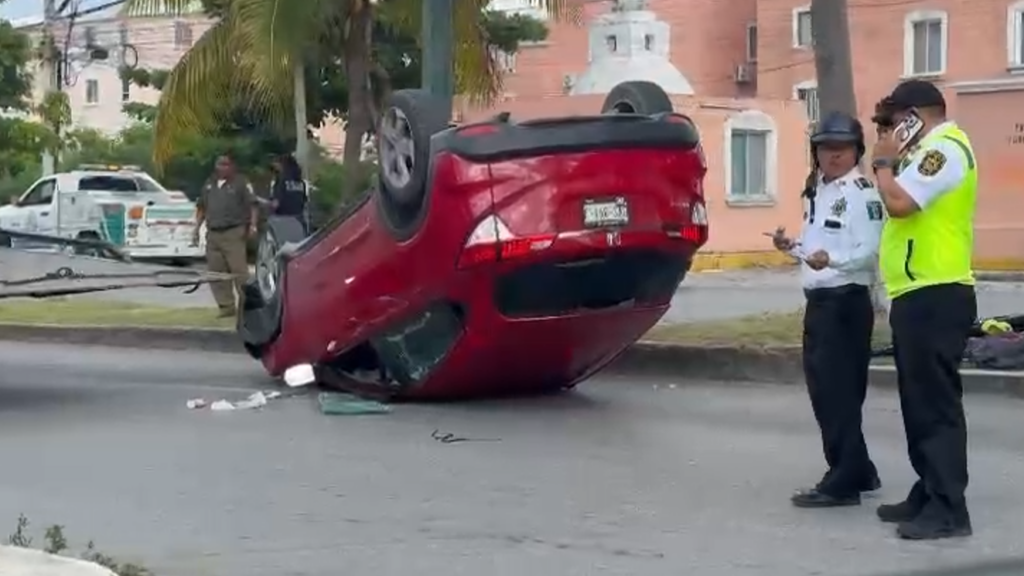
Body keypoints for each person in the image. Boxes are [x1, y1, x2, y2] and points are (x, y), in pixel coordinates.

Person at [870, 80, 978, 540]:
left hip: (937, 292)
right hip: (917, 292)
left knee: (935, 406)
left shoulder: (944, 149)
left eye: (897, 120)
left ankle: (950, 508)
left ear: (915, 115)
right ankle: (929, 489)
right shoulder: (922, 154)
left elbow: (899, 204)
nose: (893, 129)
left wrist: (882, 162)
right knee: (917, 403)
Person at [772, 111, 884, 509]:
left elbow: (869, 251)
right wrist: (793, 248)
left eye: (842, 149)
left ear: (857, 152)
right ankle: (861, 468)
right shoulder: (818, 190)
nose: (833, 156)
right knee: (831, 394)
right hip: (821, 303)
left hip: (845, 303)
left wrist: (832, 262)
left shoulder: (863, 195)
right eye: (825, 149)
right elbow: (815, 244)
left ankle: (844, 481)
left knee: (836, 395)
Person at [193, 154, 259, 318]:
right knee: (216, 272)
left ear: (232, 166)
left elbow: (253, 205)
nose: (222, 167)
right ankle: (226, 306)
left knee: (239, 271)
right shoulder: (209, 183)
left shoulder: (241, 182)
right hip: (213, 233)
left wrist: (253, 225)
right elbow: (201, 208)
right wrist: (196, 229)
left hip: (233, 232)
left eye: (226, 164)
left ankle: (247, 306)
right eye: (219, 164)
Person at [269, 153, 310, 233]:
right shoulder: (301, 183)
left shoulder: (282, 181)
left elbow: (276, 204)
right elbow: (303, 202)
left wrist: (267, 204)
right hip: (298, 222)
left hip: (283, 222)